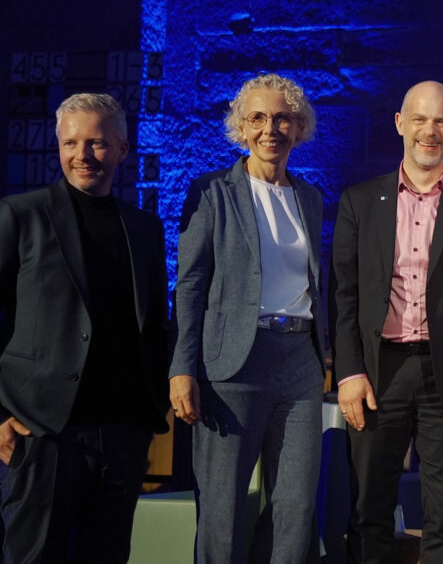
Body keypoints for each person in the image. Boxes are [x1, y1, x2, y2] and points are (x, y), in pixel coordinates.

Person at [332, 80, 443, 564]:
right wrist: (348, 372)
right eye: (419, 119)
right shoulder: (360, 201)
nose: (429, 131)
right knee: (369, 511)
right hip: (375, 373)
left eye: (440, 122)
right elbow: (343, 295)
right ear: (400, 124)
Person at [0, 93, 169, 563]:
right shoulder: (21, 216)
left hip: (122, 437)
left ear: (122, 149)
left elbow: (156, 323)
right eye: (71, 143)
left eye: (96, 143)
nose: (82, 155)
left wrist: (149, 417)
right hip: (42, 434)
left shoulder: (145, 228)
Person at [171, 73, 326, 563]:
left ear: (299, 127)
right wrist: (182, 367)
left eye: (283, 118)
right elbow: (191, 284)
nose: (270, 129)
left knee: (296, 507)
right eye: (257, 118)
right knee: (223, 509)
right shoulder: (212, 192)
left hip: (299, 361)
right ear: (240, 127)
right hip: (233, 363)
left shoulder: (310, 196)